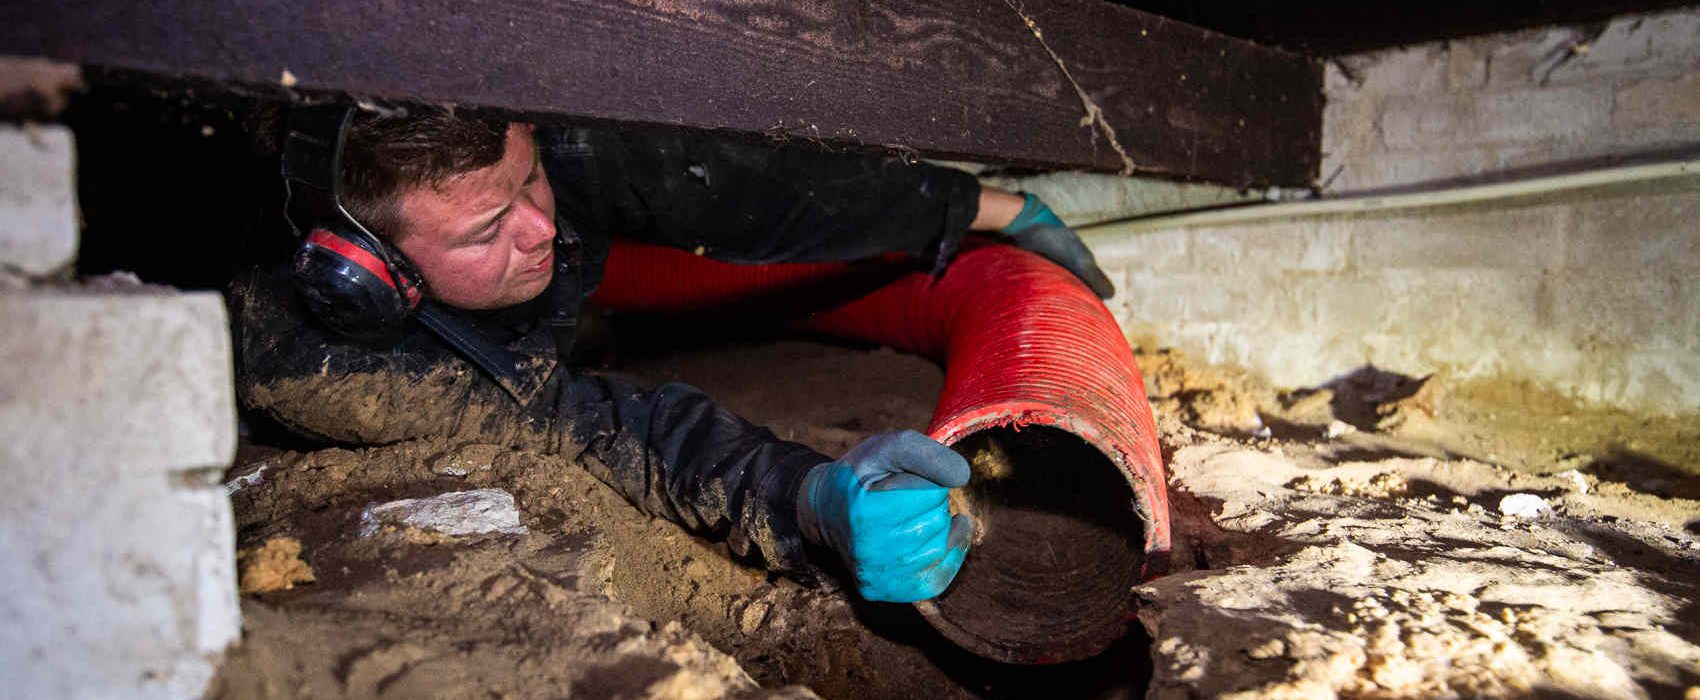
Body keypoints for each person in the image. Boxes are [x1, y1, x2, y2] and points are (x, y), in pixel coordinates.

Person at [232, 107, 1113, 603]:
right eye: (489, 229)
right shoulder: (343, 370)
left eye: (528, 179)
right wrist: (808, 499)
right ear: (377, 276)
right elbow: (618, 433)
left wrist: (980, 210)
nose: (541, 229)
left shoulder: (539, 169)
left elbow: (746, 193)